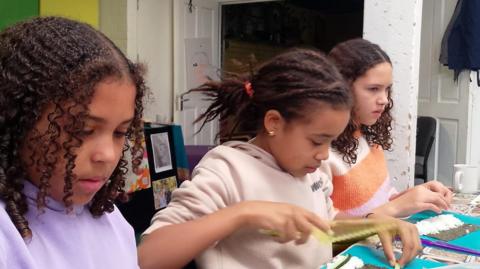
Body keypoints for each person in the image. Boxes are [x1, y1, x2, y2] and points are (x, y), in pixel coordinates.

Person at [138, 49, 421, 269]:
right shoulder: (226, 168)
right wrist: (243, 214)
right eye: (316, 141)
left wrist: (373, 224)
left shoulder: (311, 171)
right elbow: (147, 258)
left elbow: (324, 227)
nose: (324, 155)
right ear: (274, 122)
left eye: (330, 142)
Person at [0, 17, 146, 268]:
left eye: (120, 132)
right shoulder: (8, 238)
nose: (108, 155)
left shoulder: (111, 221)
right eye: (83, 130)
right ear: (18, 121)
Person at [327, 38, 453, 218]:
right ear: (342, 88)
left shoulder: (366, 137)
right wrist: (398, 206)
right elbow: (327, 232)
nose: (384, 99)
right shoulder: (319, 152)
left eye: (387, 89)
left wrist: (413, 197)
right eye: (373, 89)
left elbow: (381, 202)